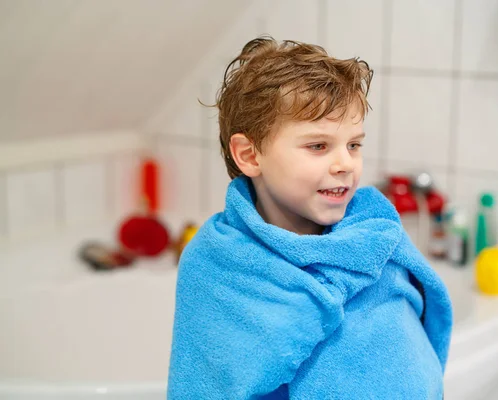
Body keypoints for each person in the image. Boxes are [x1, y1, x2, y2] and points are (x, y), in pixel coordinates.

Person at [168, 36, 453, 399]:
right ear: (250, 155)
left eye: (354, 145)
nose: (345, 164)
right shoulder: (217, 267)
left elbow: (409, 369)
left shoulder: (376, 243)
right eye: (318, 146)